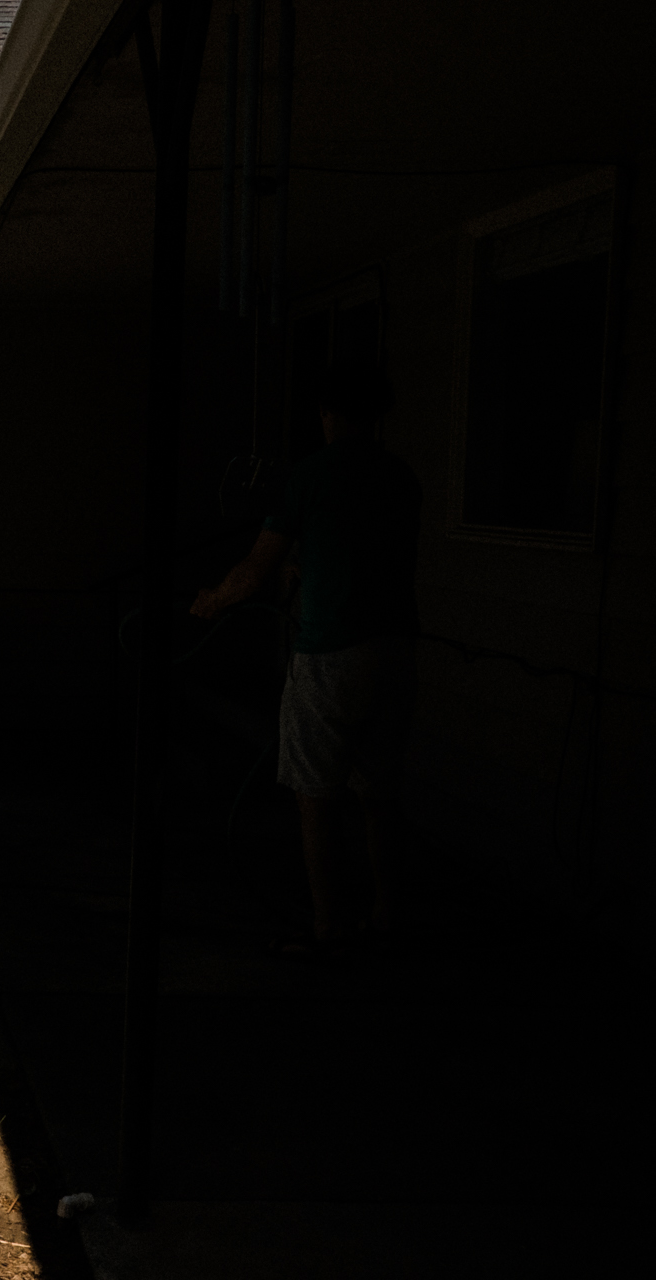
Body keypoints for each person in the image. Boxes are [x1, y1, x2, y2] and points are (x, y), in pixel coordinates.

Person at [192, 359, 421, 957]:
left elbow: (255, 569)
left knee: (316, 796)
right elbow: (362, 550)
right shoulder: (401, 476)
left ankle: (329, 924)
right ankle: (387, 913)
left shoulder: (311, 476)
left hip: (330, 655)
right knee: (379, 795)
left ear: (327, 413)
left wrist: (212, 601)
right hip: (396, 651)